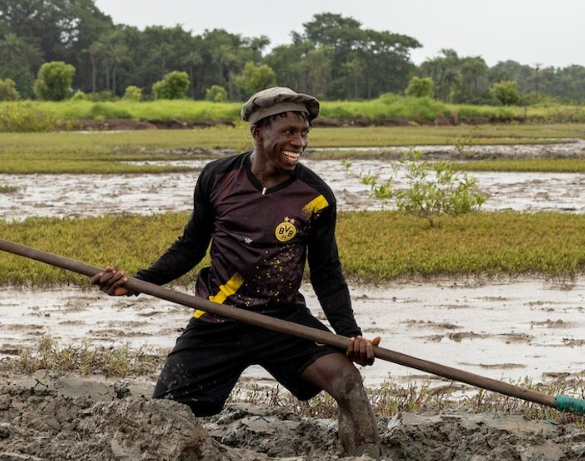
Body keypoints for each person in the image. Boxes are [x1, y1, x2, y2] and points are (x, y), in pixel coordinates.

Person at [91, 87, 381, 457]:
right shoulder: (218, 177)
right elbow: (190, 247)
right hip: (219, 317)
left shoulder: (316, 196)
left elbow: (326, 272)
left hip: (282, 320)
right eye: (289, 131)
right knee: (165, 412)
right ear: (258, 132)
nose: (299, 142)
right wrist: (137, 283)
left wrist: (349, 335)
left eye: (304, 132)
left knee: (348, 382)